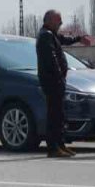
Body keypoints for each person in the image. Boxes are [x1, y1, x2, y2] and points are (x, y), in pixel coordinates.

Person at [36, 10, 84, 158]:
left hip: (56, 80)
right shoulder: (45, 35)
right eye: (59, 21)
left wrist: (78, 39)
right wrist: (59, 76)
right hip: (52, 81)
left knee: (60, 115)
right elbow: (52, 59)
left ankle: (60, 144)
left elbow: (63, 40)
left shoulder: (51, 34)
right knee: (54, 114)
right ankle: (53, 147)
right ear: (50, 21)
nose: (61, 23)